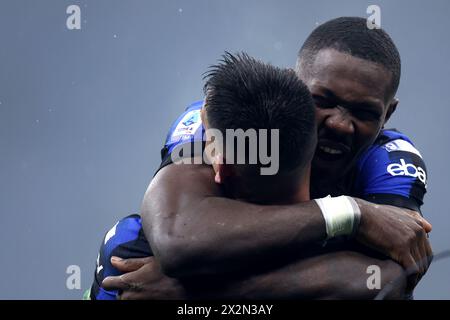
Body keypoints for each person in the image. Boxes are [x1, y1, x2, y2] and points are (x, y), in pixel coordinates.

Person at [98, 17, 432, 299]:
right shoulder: (228, 120)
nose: (340, 124)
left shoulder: (390, 159)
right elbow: (178, 241)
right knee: (126, 241)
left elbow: (390, 279)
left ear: (388, 114)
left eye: (363, 112)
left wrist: (199, 293)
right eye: (322, 100)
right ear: (293, 84)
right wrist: (353, 213)